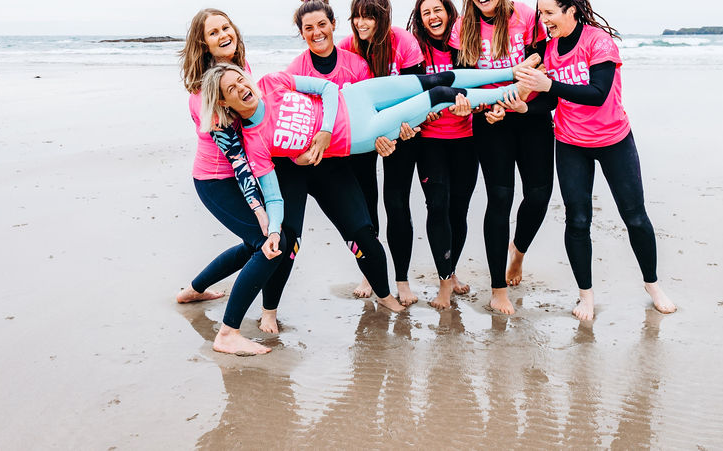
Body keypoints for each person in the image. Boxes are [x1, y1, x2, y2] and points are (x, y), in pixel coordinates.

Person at [198, 59, 539, 311]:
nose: (242, 87)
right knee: (439, 95)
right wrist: (273, 231)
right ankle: (512, 93)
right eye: (231, 90)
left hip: (355, 97)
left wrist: (323, 131)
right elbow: (272, 196)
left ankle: (513, 73)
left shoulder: (272, 82)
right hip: (360, 132)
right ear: (225, 104)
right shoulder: (255, 142)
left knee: (434, 78)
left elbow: (327, 88)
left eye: (239, 79)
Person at [514, 0, 677, 320]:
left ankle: (653, 285)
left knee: (634, 217)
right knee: (578, 220)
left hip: (614, 140)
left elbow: (597, 93)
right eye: (541, 12)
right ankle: (585, 296)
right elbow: (550, 99)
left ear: (570, 10)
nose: (544, 20)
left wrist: (549, 83)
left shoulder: (598, 42)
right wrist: (526, 107)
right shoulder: (549, 47)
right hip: (571, 143)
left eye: (549, 12)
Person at [176, 8, 294, 355]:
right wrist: (261, 212)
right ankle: (227, 333)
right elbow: (238, 160)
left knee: (252, 245)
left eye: (226, 27)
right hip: (216, 180)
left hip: (240, 174)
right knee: (270, 243)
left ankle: (194, 290)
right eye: (213, 32)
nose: (223, 34)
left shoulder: (239, 72)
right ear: (203, 43)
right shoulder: (205, 95)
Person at [451, 0, 554, 315]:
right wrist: (484, 108)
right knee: (500, 201)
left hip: (529, 115)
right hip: (489, 121)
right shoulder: (463, 26)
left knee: (539, 195)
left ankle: (518, 253)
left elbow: (540, 61)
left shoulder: (524, 15)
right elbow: (461, 78)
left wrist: (516, 100)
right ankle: (497, 289)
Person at [283, 0, 396, 299]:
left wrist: (384, 138)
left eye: (322, 24)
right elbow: (293, 116)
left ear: (333, 24)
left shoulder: (355, 65)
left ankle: (370, 276)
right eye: (308, 28)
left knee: (367, 211)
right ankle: (367, 276)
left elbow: (370, 109)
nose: (316, 32)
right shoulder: (296, 69)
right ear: (302, 32)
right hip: (319, 158)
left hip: (356, 151)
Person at [339, 0, 425, 304]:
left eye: (369, 16)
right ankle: (370, 273)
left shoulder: (403, 42)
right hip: (363, 133)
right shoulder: (348, 46)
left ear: (383, 17)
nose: (361, 23)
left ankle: (401, 280)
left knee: (397, 203)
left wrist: (407, 130)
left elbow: (418, 94)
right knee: (365, 205)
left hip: (401, 131)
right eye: (357, 16)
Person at [406, 0, 478, 309]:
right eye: (426, 13)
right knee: (437, 207)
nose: (433, 17)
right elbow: (407, 97)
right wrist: (422, 113)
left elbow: (478, 91)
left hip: (466, 141)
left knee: (458, 211)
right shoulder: (416, 53)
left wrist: (470, 107)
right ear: (420, 20)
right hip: (431, 143)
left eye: (438, 10)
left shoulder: (464, 48)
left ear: (449, 13)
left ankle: (450, 273)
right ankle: (444, 284)